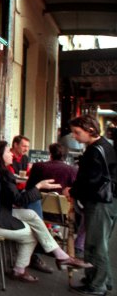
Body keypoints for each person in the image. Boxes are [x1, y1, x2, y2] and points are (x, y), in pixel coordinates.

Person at [0, 141, 92, 283]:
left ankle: (61, 256)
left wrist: (34, 188)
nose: (10, 154)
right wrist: (39, 186)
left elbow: (16, 195)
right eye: (7, 151)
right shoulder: (3, 174)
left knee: (32, 215)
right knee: (33, 233)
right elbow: (19, 200)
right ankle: (20, 269)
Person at [69, 115, 117, 296]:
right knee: (98, 242)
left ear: (90, 130)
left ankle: (97, 285)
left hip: (101, 202)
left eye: (77, 132)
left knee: (96, 244)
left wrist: (73, 191)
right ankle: (101, 280)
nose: (74, 136)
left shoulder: (96, 150)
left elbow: (92, 180)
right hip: (107, 201)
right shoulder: (104, 146)